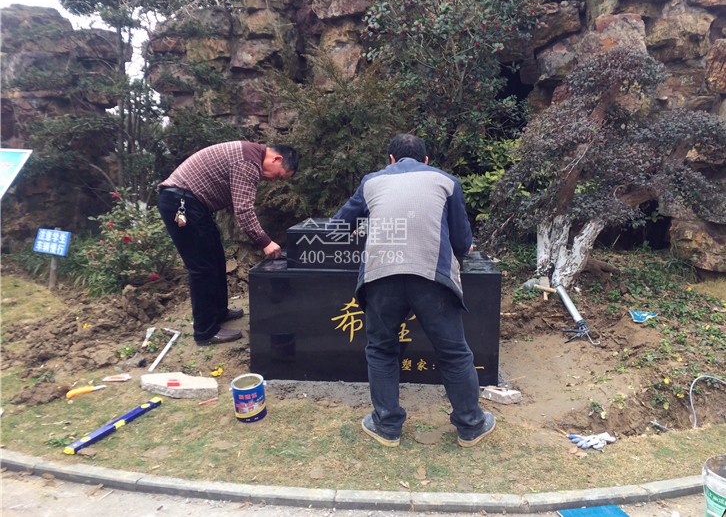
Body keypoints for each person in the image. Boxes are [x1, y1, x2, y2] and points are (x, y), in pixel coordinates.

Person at [332, 133, 495, 448]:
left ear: (391, 160)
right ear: (426, 161)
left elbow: (339, 226)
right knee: (453, 352)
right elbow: (463, 243)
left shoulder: (371, 182)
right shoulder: (447, 182)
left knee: (381, 350)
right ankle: (471, 426)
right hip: (432, 277)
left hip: (381, 276)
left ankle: (387, 426)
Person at [157, 140, 300, 346]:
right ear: (276, 159)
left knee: (216, 260)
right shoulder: (248, 162)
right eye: (278, 176)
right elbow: (243, 210)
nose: (273, 181)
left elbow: (237, 202)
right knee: (202, 268)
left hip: (192, 204)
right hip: (181, 203)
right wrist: (265, 242)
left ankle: (218, 312)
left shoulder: (249, 156)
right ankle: (205, 332)